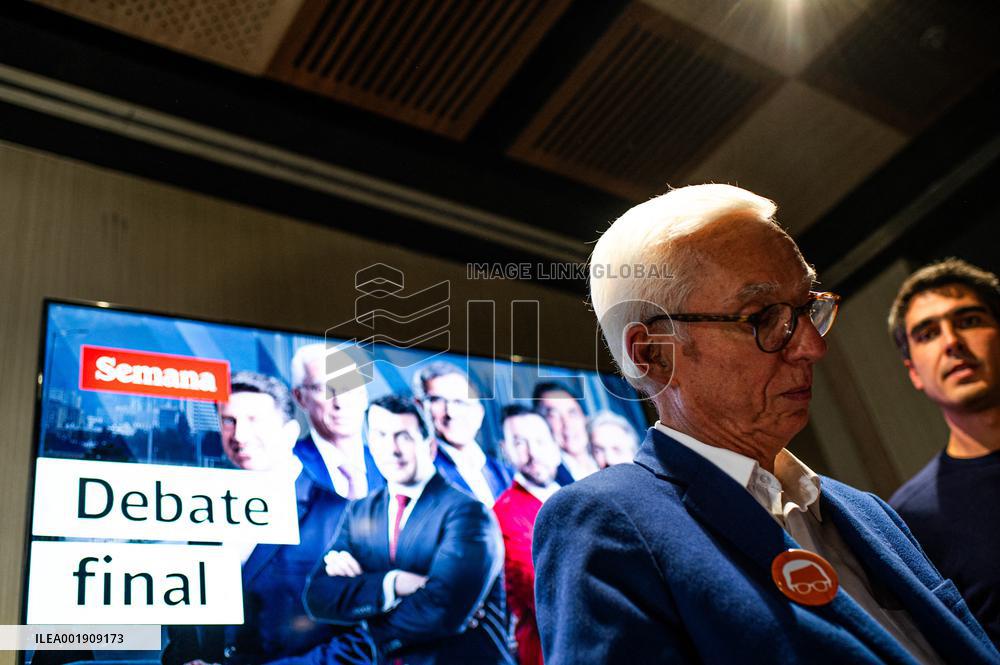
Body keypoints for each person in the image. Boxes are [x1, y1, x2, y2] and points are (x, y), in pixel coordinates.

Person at [532, 184, 999, 664]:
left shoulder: (869, 512)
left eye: (807, 309)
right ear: (654, 353)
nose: (812, 347)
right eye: (761, 318)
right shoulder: (606, 522)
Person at [162, 371, 371, 665]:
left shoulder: (340, 515)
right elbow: (186, 619)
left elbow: (364, 641)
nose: (239, 435)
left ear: (289, 432)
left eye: (254, 420)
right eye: (229, 421)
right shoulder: (206, 511)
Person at [303, 394, 514, 665]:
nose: (392, 449)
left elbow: (442, 609)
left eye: (404, 436)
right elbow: (318, 596)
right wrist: (394, 583)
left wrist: (364, 628)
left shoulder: (468, 512)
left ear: (430, 448)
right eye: (381, 435)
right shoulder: (360, 511)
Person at [887, 258, 1000, 646]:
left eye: (968, 320)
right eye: (928, 333)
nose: (952, 342)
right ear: (913, 372)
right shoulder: (910, 520)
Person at [492, 405, 563, 665]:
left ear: (555, 444)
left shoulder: (575, 496)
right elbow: (541, 590)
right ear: (504, 451)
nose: (533, 454)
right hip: (550, 651)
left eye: (540, 441)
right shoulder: (505, 514)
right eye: (519, 443)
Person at [291, 343, 385, 499]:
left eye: (349, 388)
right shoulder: (287, 463)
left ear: (364, 396)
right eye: (324, 389)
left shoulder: (387, 463)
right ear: (300, 397)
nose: (339, 402)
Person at [412, 362, 511, 506]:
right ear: (419, 407)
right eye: (437, 400)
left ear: (479, 412)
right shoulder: (420, 470)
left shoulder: (505, 474)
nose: (451, 412)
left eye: (460, 402)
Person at [533, 382, 599, 481]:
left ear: (585, 418)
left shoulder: (609, 458)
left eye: (572, 413)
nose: (567, 424)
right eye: (553, 416)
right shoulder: (548, 479)